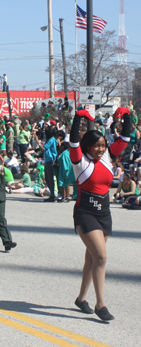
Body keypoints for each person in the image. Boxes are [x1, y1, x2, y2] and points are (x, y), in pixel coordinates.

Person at [70, 107, 130, 321]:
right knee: (101, 257)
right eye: (97, 146)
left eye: (103, 146)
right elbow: (74, 142)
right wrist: (78, 118)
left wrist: (126, 116)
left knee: (92, 258)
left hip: (104, 213)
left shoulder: (106, 157)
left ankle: (81, 299)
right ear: (88, 146)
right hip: (85, 213)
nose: (101, 149)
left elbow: (125, 137)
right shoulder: (80, 162)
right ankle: (100, 304)